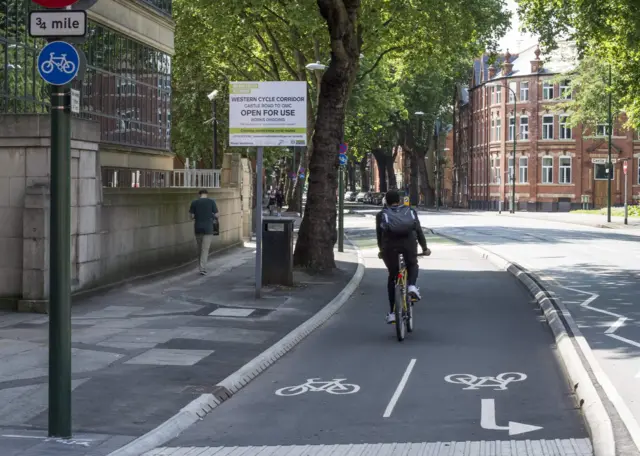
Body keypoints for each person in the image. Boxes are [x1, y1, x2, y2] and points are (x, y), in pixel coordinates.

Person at [375, 189, 429, 324]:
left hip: (390, 247)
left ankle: (393, 313)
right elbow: (418, 230)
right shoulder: (410, 211)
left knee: (392, 276)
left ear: (386, 201)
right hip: (408, 245)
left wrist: (381, 250)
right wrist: (424, 248)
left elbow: (379, 235)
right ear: (399, 200)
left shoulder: (381, 214)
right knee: (412, 264)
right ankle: (411, 286)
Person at [189, 189, 219, 275]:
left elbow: (192, 216)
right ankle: (202, 268)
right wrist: (211, 215)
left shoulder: (194, 202)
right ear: (207, 194)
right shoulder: (211, 202)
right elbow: (217, 214)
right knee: (205, 249)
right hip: (208, 229)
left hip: (198, 227)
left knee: (199, 249)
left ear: (199, 194)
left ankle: (200, 266)